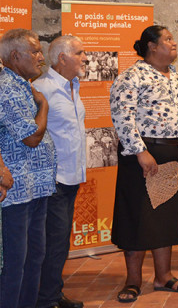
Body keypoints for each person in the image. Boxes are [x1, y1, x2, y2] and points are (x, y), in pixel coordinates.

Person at [109, 25, 178, 303]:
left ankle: (164, 277)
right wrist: (140, 152)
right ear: (152, 46)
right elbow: (122, 116)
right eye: (168, 39)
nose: (174, 43)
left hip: (175, 156)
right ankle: (133, 281)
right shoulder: (132, 77)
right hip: (144, 157)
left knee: (166, 219)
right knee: (137, 218)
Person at [0, 28, 56, 308]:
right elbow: (32, 137)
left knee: (35, 256)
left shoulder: (23, 86)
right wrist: (43, 105)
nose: (40, 57)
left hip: (37, 187)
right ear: (14, 56)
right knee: (15, 263)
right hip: (16, 192)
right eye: (34, 51)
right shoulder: (7, 89)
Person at [33, 35, 88, 308]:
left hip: (71, 176)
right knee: (53, 241)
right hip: (53, 179)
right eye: (79, 53)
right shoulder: (42, 89)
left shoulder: (73, 86)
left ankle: (52, 294)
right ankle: (46, 300)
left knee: (60, 240)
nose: (85, 58)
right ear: (62, 58)